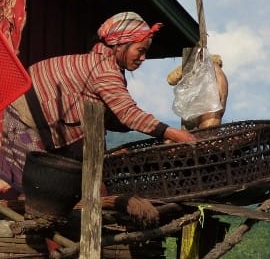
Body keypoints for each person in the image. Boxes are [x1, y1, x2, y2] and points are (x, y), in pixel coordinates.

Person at [0, 11, 195, 196]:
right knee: (36, 186)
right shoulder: (104, 69)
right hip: (27, 118)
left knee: (41, 182)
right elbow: (128, 114)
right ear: (120, 45)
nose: (143, 58)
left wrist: (153, 130)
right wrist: (173, 133)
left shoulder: (103, 65)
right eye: (140, 50)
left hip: (33, 117)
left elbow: (116, 115)